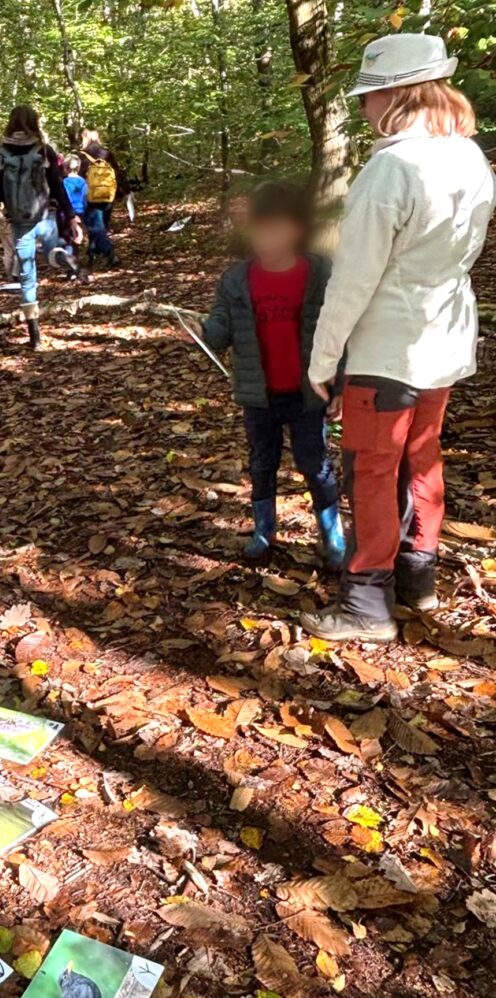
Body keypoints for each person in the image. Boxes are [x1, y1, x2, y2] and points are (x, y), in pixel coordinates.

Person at [299, 34, 495, 642]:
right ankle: (418, 577)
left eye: (369, 95)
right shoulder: (470, 157)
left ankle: (365, 605)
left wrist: (323, 358)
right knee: (422, 454)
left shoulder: (393, 167)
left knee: (373, 468)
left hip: (391, 347)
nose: (363, 109)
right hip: (444, 336)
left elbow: (353, 278)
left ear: (396, 94)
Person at [200, 182, 344, 569]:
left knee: (314, 463)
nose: (267, 238)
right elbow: (219, 330)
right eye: (260, 229)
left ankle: (332, 536)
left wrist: (339, 385)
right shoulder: (236, 280)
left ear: (297, 230)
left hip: (307, 393)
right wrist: (199, 331)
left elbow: (339, 332)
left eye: (276, 229)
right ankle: (264, 532)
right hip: (259, 396)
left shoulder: (320, 274)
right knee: (262, 463)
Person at [0, 105, 86, 347]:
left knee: (27, 277)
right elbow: (59, 187)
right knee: (52, 248)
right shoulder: (44, 150)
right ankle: (61, 256)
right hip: (45, 217)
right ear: (34, 122)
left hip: (20, 223)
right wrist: (71, 217)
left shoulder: (0, 154)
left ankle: (35, 337)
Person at [78, 128, 131, 266]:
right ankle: (93, 254)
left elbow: (79, 176)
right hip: (108, 194)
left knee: (95, 227)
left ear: (84, 137)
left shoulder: (82, 155)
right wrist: (126, 191)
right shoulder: (106, 153)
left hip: (91, 195)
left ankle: (110, 254)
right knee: (101, 226)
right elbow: (118, 173)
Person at [64, 153, 113, 267]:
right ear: (79, 168)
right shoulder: (83, 182)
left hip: (70, 213)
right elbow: (86, 197)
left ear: (65, 168)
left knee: (72, 238)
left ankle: (73, 265)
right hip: (83, 212)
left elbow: (65, 199)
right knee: (85, 234)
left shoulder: (64, 182)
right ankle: (91, 257)